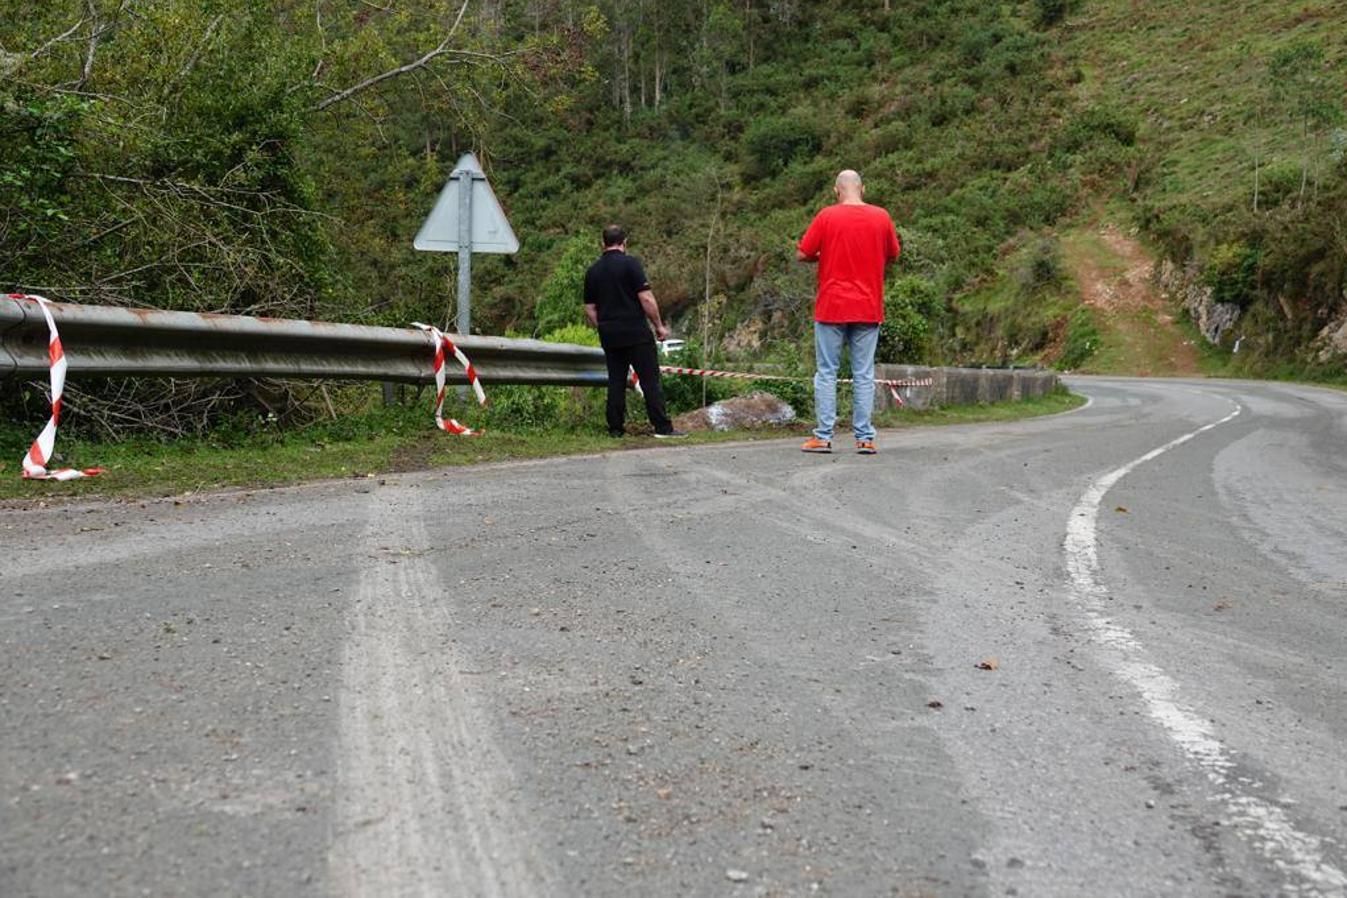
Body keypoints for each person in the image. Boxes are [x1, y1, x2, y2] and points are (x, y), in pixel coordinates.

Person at [796, 170, 901, 455]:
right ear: (862, 189)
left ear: (836, 190)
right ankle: (865, 438)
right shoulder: (882, 216)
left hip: (831, 306)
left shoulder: (826, 216)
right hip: (868, 306)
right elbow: (892, 254)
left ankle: (823, 436)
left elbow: (803, 253)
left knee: (827, 372)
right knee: (863, 374)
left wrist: (824, 255)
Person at [583, 225, 686, 439]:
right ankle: (662, 428)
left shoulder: (593, 271)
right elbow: (646, 298)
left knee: (616, 381)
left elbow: (590, 308)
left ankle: (615, 429)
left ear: (602, 243)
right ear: (624, 242)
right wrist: (658, 325)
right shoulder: (631, 264)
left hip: (610, 335)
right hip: (636, 332)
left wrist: (603, 325)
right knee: (650, 380)